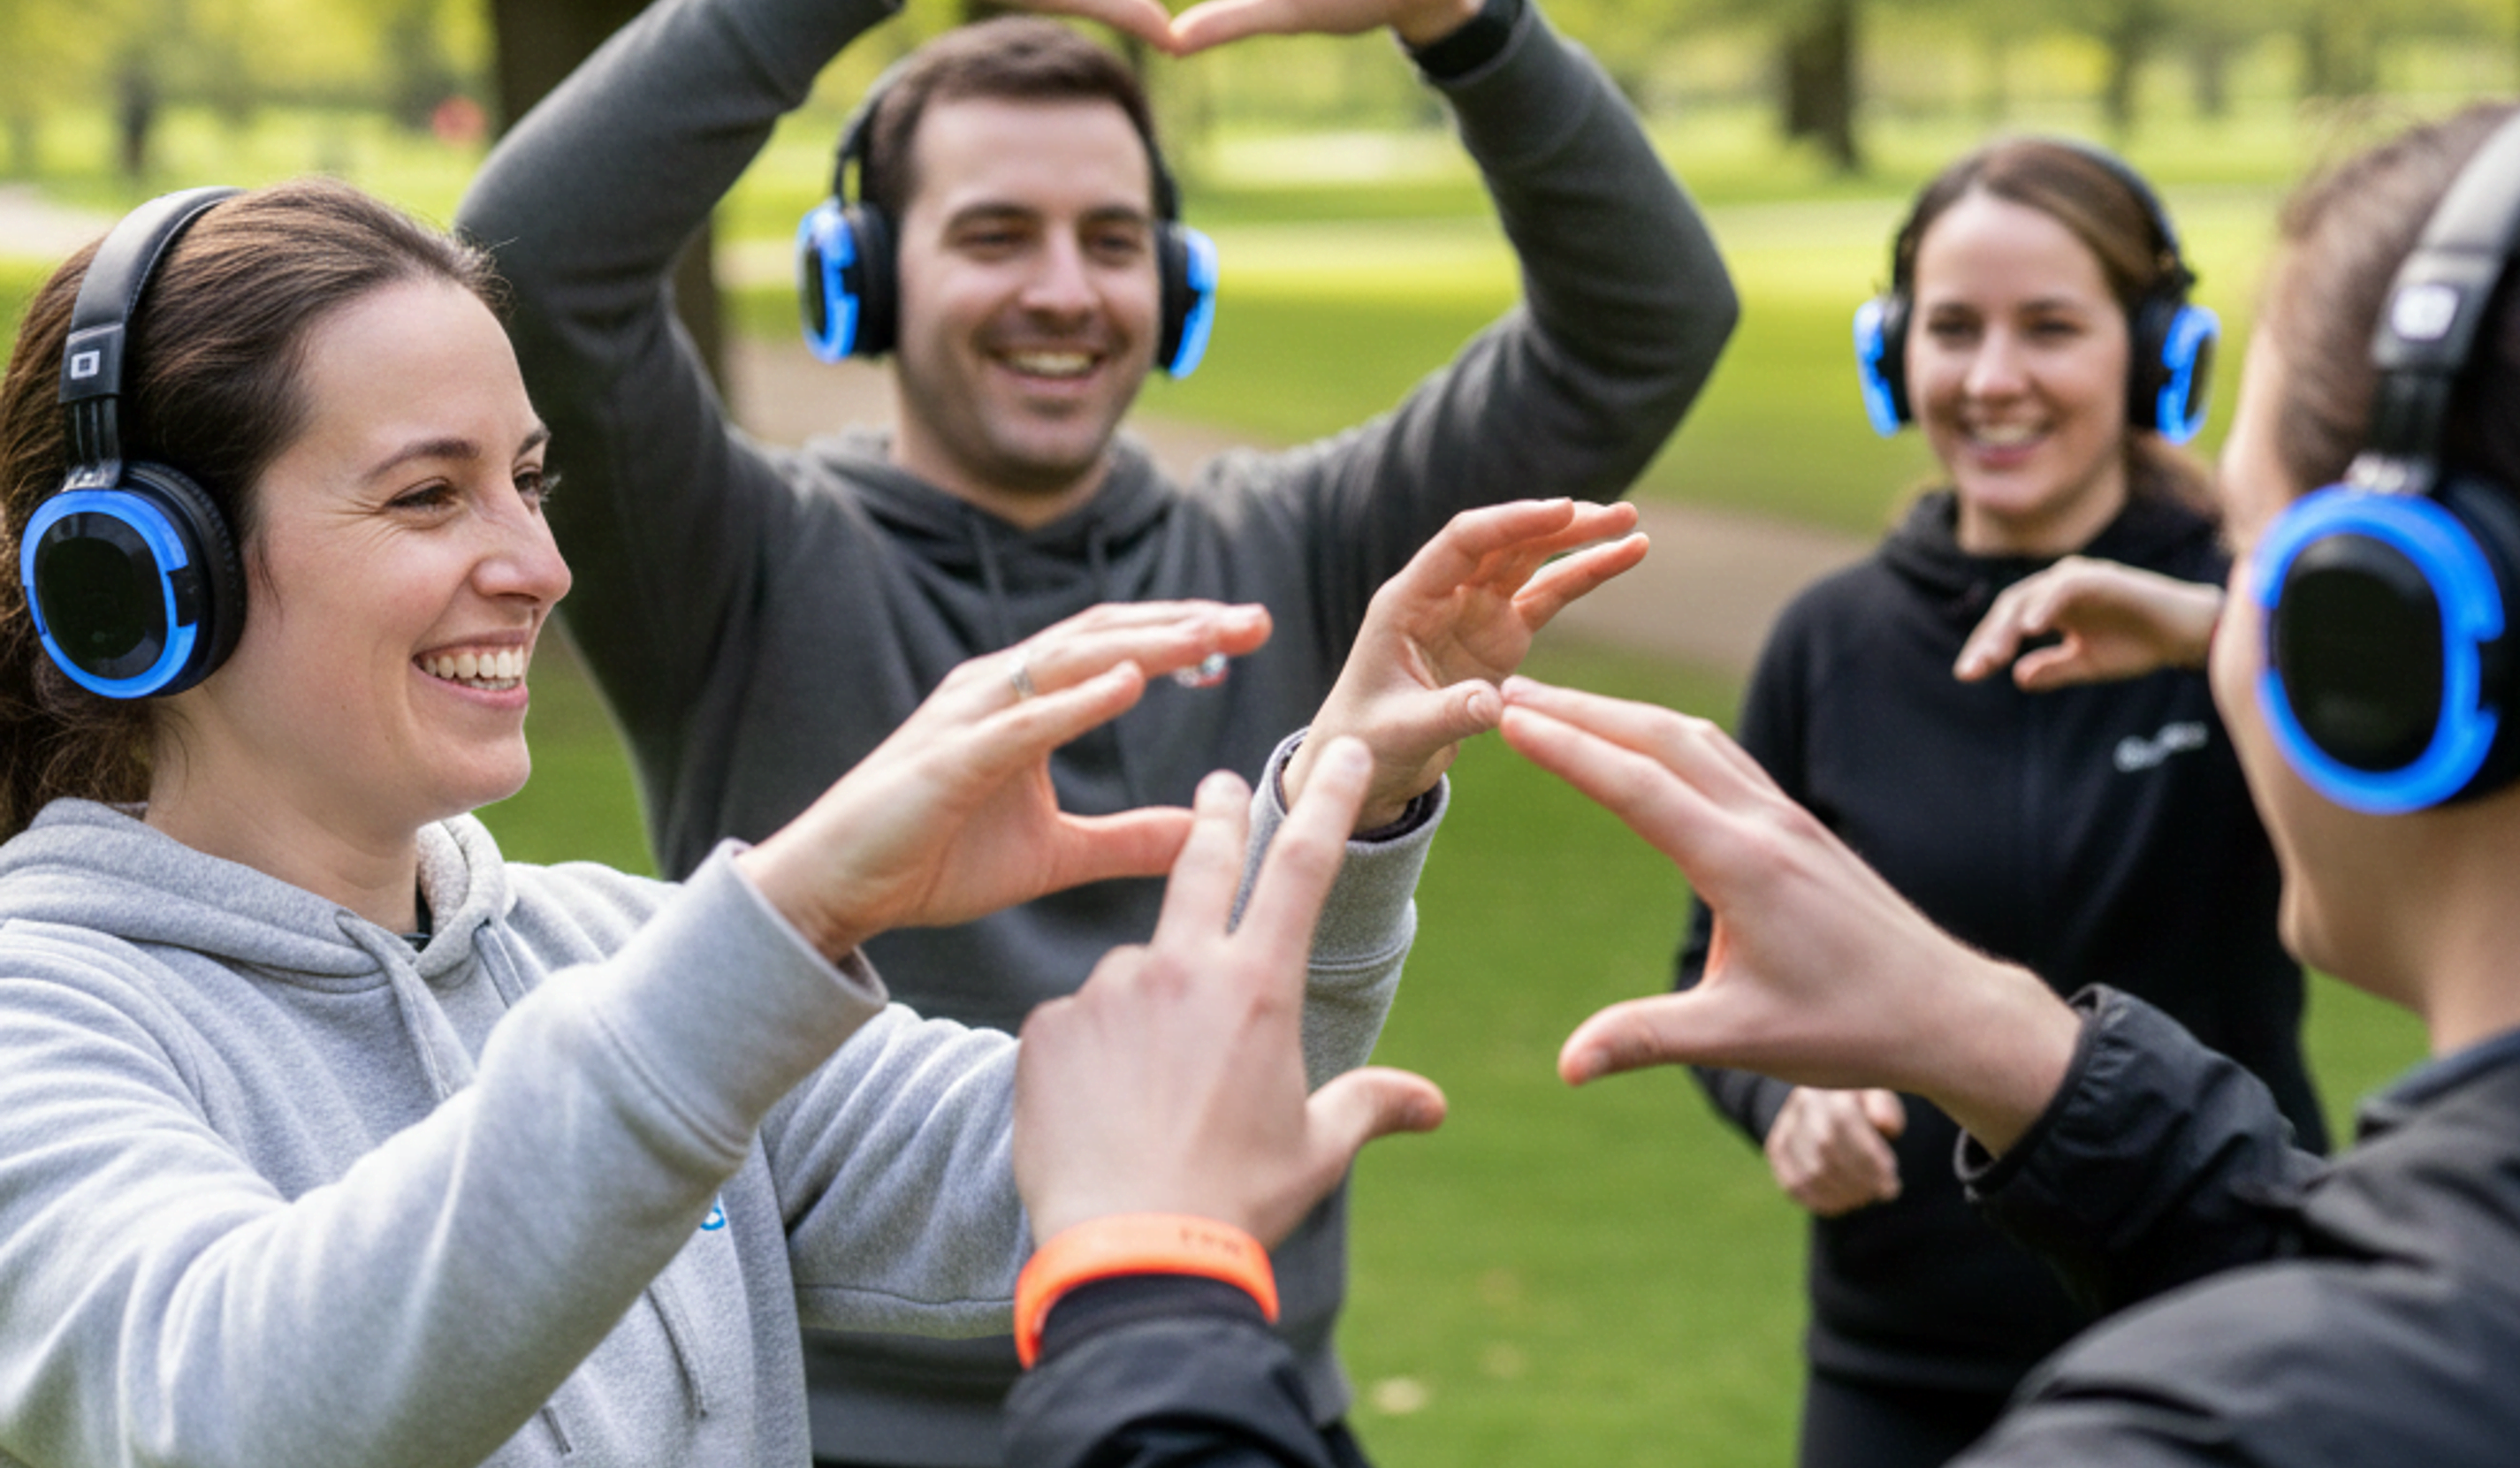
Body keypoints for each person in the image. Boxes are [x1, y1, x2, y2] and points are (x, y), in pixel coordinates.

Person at [994, 80, 2520, 1466]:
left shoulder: (2223, 1422)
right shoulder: (2500, 1296)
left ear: (2385, 642)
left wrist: (1149, 1282)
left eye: (2263, 564)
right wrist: (2012, 1051)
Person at [0, 176, 1642, 1466]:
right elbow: (236, 1408)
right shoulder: (44, 1015)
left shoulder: (600, 951)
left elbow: (1135, 1154)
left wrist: (1344, 801)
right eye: (431, 494)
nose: (538, 564)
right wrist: (786, 916)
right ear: (137, 577)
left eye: (529, 476)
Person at [453, 0, 1732, 1456]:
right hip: (834, 1426)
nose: (1064, 290)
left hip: (1224, 1391)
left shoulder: (1325, 550)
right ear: (861, 281)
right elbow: (533, 272)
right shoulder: (730, 555)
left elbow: (1648, 320)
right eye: (995, 236)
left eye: (1112, 241)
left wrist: (1472, 28)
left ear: (1173, 285)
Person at [1665, 136, 2324, 1466]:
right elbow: (1714, 968)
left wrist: (2215, 632)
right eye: (1953, 329)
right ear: (1892, 351)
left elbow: (2466, 757)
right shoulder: (1827, 642)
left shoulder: (2256, 613)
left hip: (2217, 1337)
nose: (1993, 378)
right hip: (1894, 1366)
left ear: (2156, 356)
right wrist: (1782, 1104)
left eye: (2052, 329)